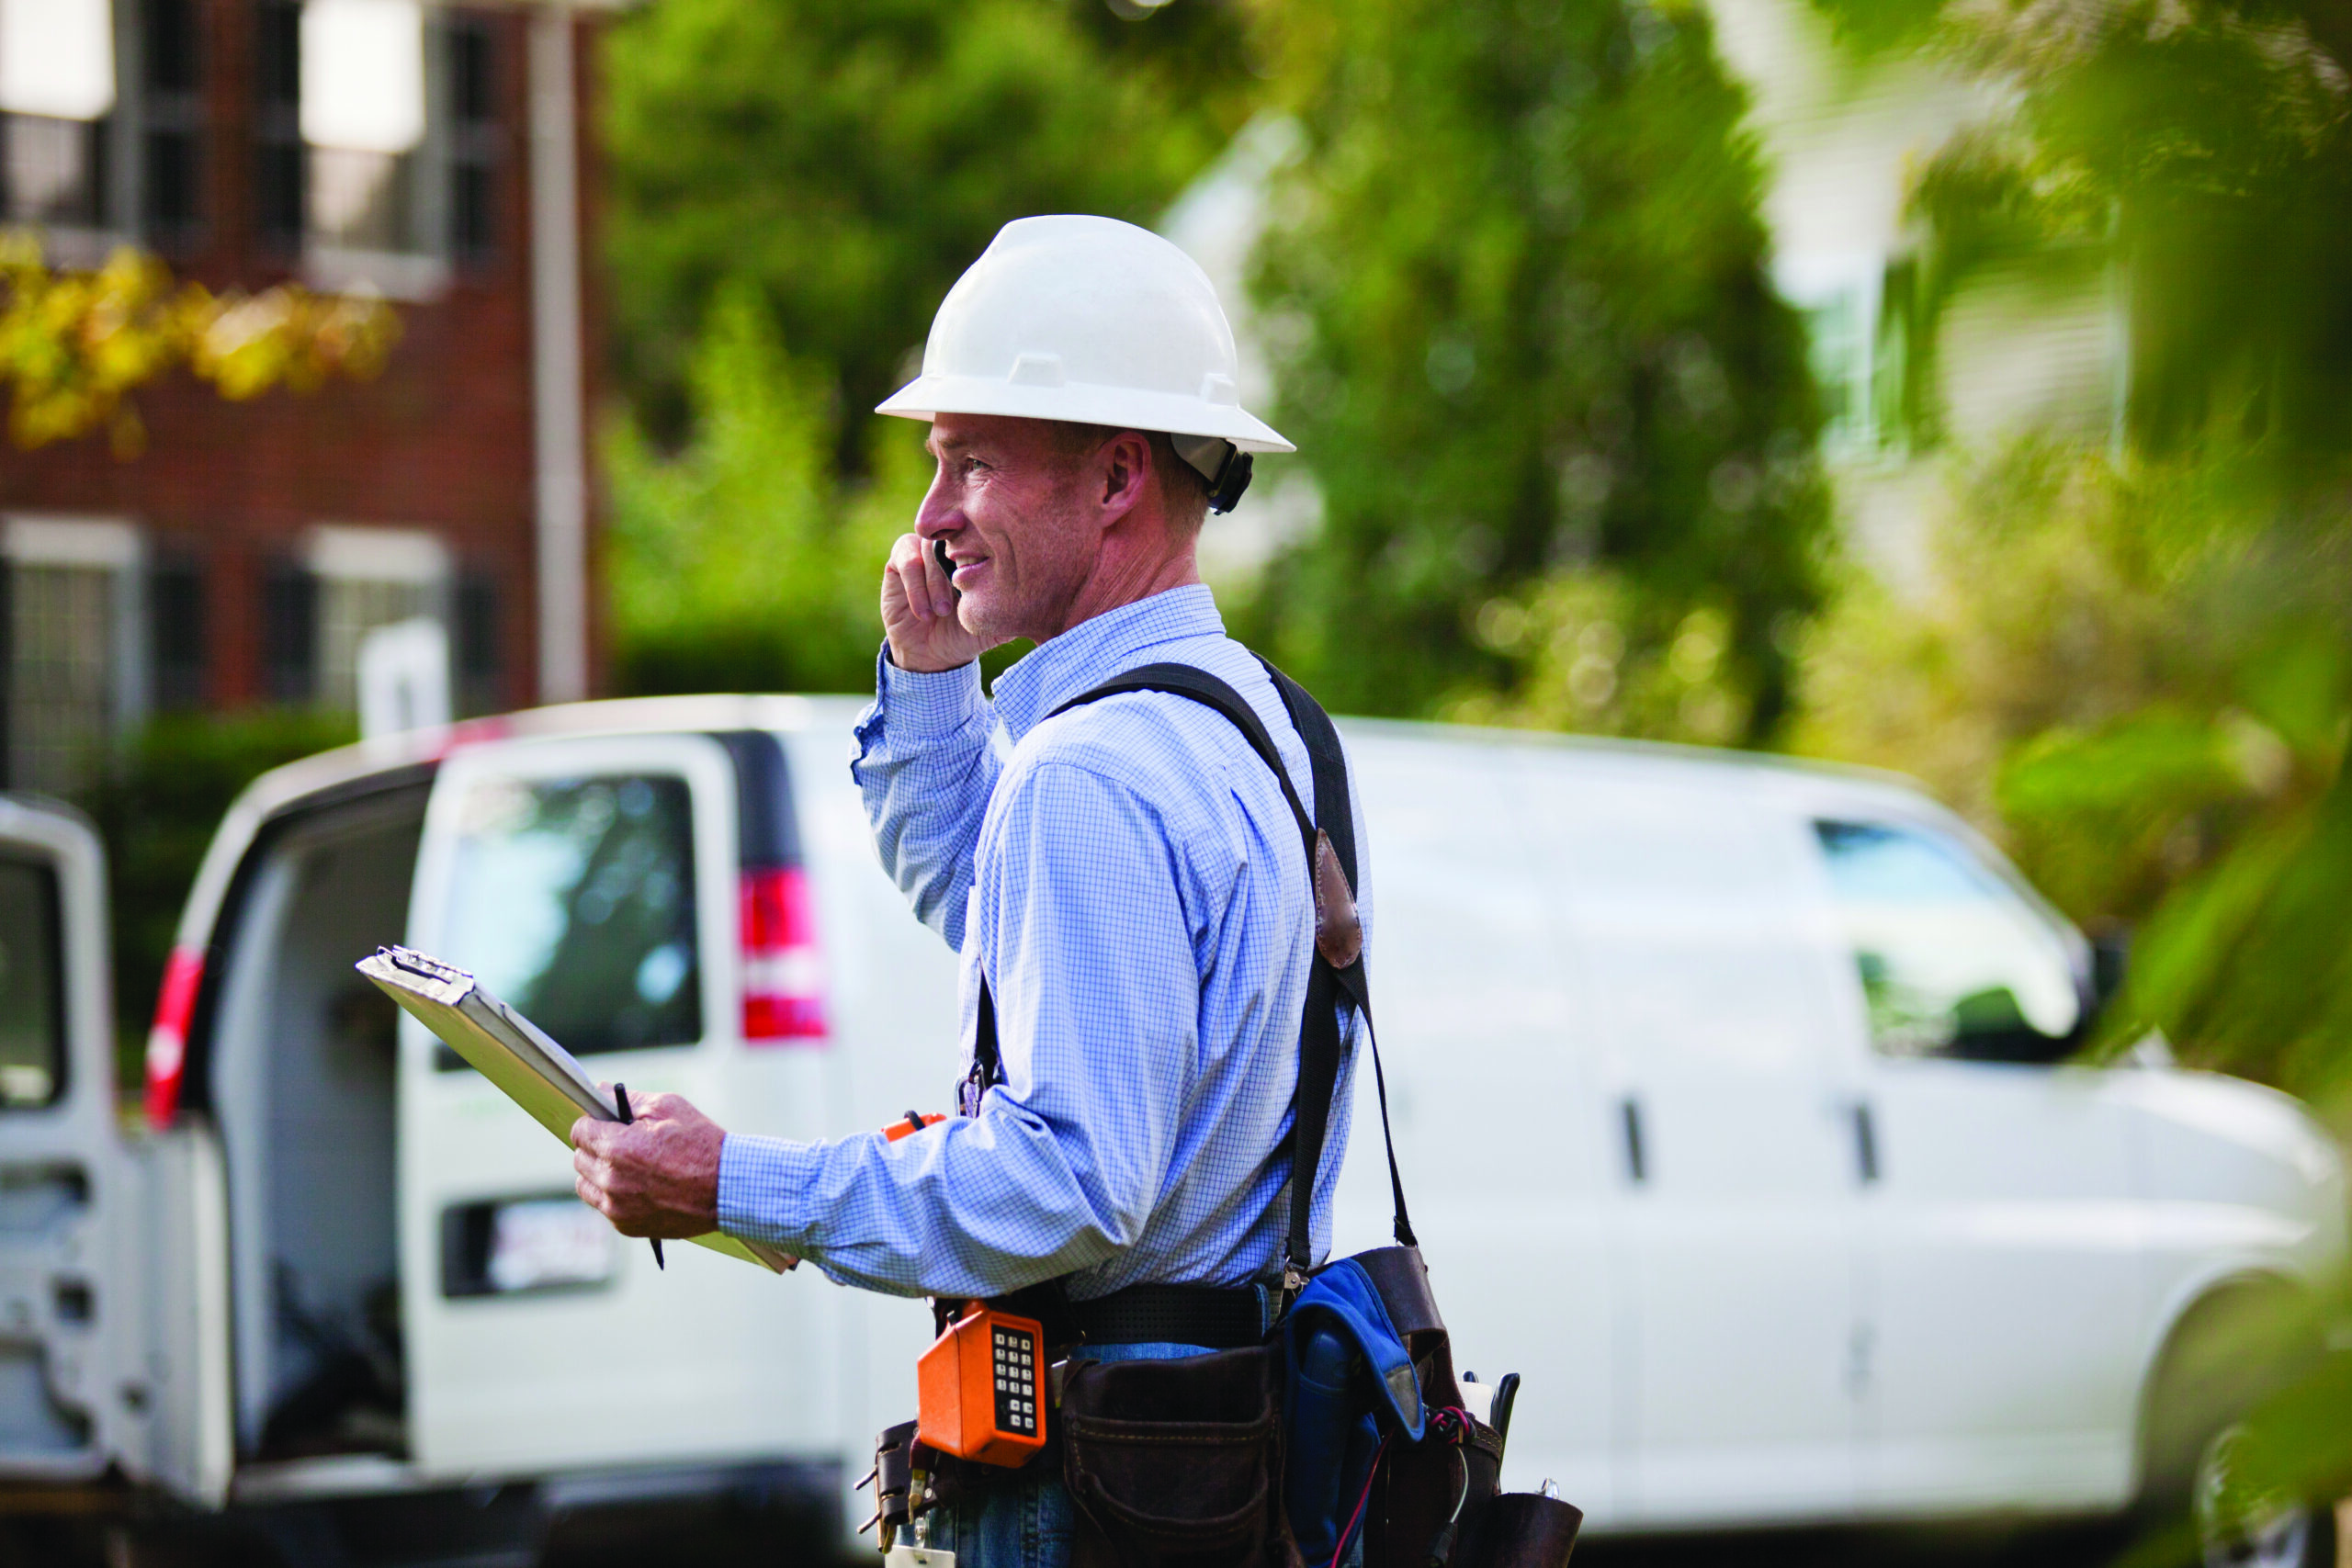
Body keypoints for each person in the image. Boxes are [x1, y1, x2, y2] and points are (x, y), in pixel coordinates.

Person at [568, 214, 1372, 1567]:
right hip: (1227, 1463)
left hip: (1099, 1489)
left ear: (1118, 476)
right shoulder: (1271, 728)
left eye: (976, 463)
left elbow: (1065, 1184)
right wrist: (937, 679)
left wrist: (733, 1181)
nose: (933, 518)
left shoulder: (1089, 772)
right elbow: (1009, 923)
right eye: (938, 464)